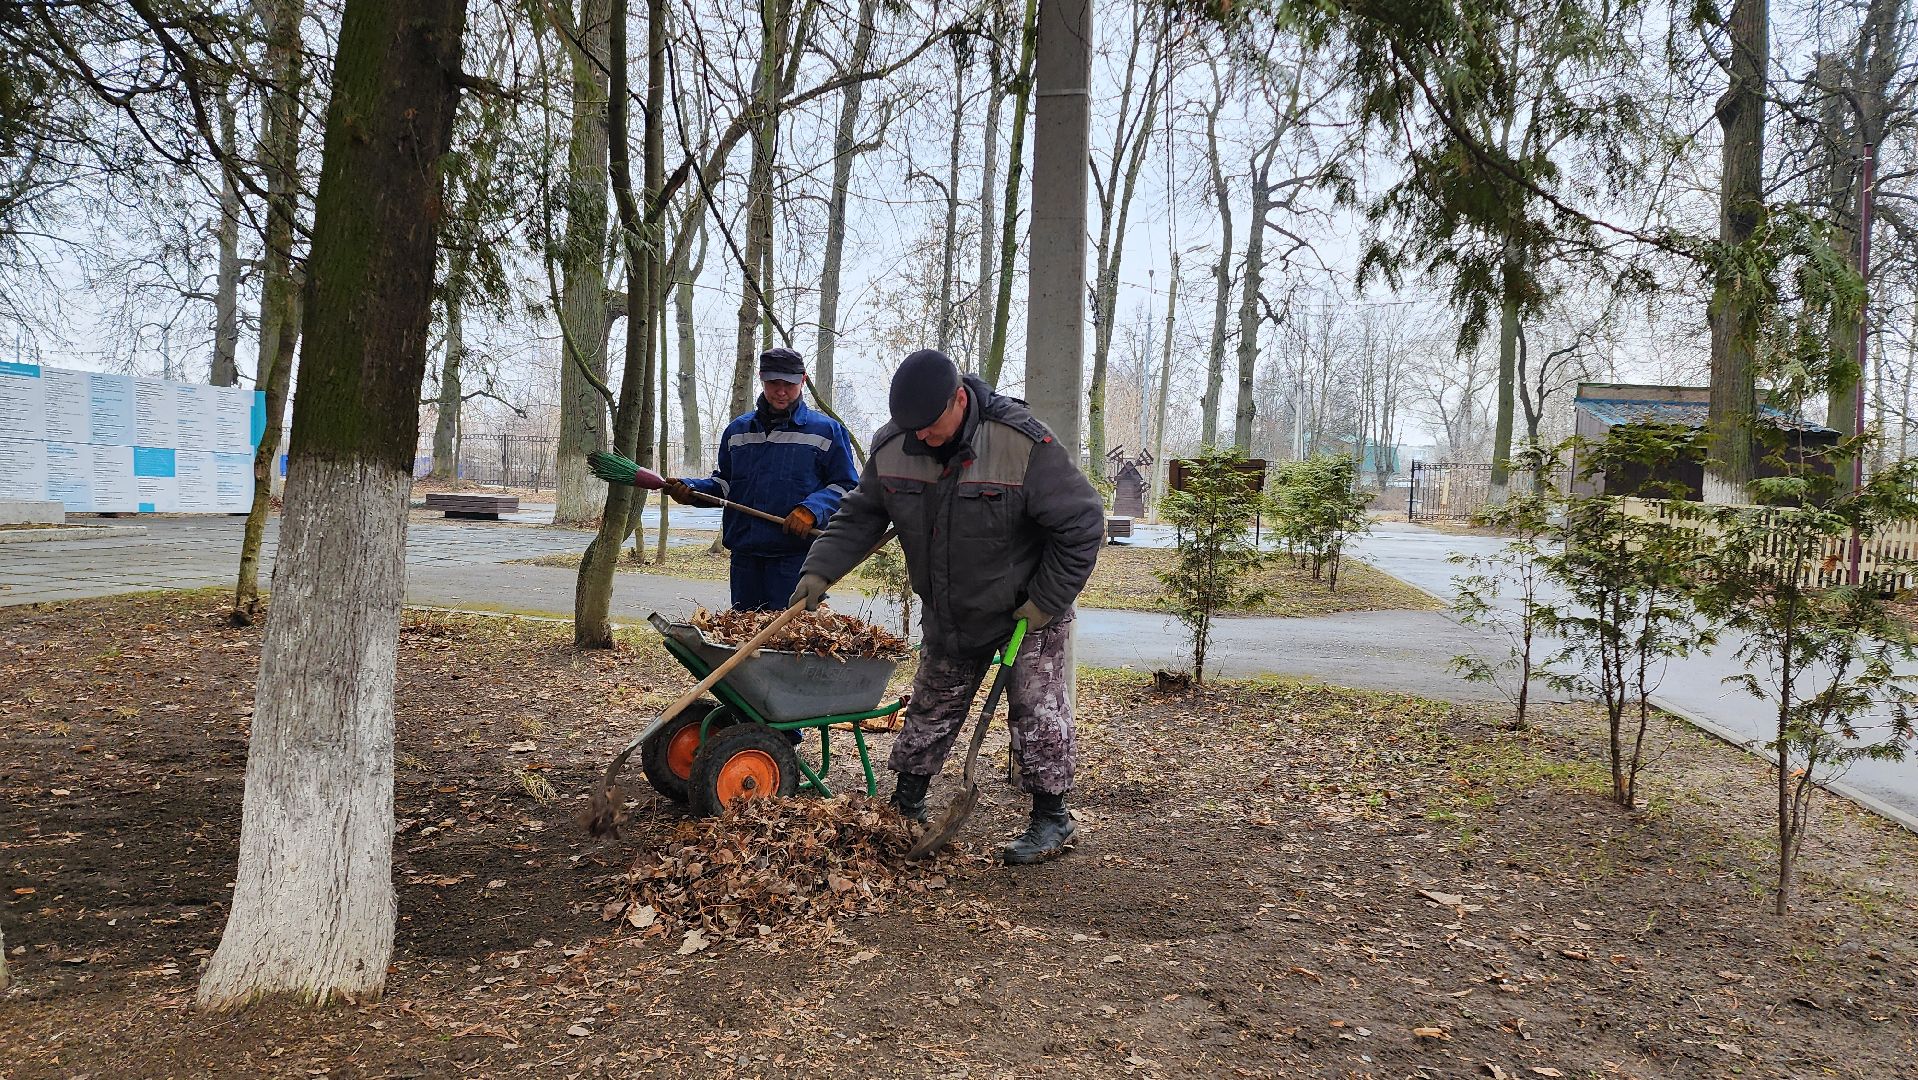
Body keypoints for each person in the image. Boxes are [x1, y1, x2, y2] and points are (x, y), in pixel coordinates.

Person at [791, 349, 1104, 864]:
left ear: (960, 399)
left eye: (931, 427)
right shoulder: (895, 443)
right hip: (951, 610)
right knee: (931, 707)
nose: (922, 439)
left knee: (1037, 713)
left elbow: (1083, 522)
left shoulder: (1019, 442)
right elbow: (860, 514)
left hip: (1027, 612)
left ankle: (1052, 818)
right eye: (911, 429)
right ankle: (907, 804)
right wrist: (818, 570)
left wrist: (1045, 601)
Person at [668, 347, 859, 612]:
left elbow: (846, 485)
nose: (781, 391)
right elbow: (726, 486)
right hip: (745, 560)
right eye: (774, 383)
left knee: (791, 643)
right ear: (762, 378)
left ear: (802, 380)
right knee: (746, 638)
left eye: (789, 384)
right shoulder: (738, 431)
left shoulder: (826, 431)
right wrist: (692, 491)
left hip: (796, 560)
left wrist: (812, 510)